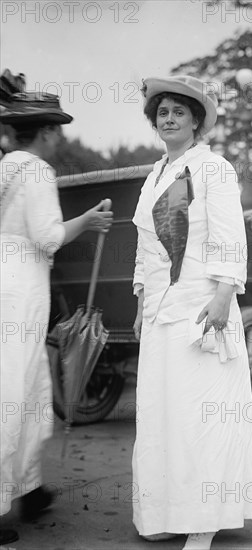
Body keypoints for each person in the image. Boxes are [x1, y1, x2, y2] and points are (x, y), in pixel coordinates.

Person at [132, 75, 252, 550]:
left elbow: (232, 235)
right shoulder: (154, 174)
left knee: (201, 416)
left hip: (203, 305)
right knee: (162, 414)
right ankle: (170, 510)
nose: (168, 119)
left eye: (178, 112)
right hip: (160, 310)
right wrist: (141, 299)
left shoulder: (214, 169)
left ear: (196, 122)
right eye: (162, 112)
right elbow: (146, 245)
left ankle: (205, 520)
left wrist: (224, 296)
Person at [0, 92, 113, 545]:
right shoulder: (37, 170)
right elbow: (47, 237)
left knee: (26, 381)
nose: (59, 137)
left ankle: (28, 486)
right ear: (45, 131)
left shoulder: (3, 166)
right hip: (22, 283)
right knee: (14, 385)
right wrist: (86, 220)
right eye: (57, 130)